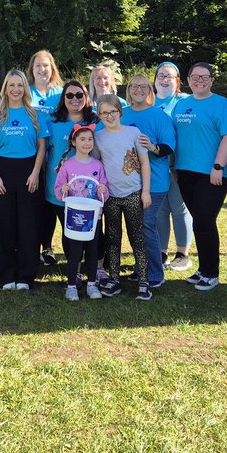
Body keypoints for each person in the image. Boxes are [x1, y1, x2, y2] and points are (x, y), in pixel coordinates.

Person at [172, 62, 227, 292]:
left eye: (205, 77)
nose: (200, 80)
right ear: (188, 79)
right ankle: (203, 267)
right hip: (185, 172)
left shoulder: (222, 104)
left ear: (211, 80)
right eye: (195, 76)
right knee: (199, 221)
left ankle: (211, 273)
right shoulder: (182, 105)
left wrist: (218, 166)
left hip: (213, 173)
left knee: (205, 221)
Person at [0, 69, 48, 290]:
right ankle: (6, 275)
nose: (15, 89)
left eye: (19, 85)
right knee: (4, 225)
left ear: (25, 88)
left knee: (28, 226)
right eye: (11, 85)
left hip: (29, 172)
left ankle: (26, 275)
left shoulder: (35, 114)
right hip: (2, 172)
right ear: (5, 88)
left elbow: (42, 147)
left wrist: (35, 173)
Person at [94, 94, 153, 300]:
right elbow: (93, 163)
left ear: (120, 111)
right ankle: (114, 279)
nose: (109, 116)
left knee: (137, 237)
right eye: (104, 113)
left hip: (133, 193)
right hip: (111, 196)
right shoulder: (98, 137)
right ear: (99, 115)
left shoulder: (133, 132)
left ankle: (144, 281)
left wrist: (145, 191)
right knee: (112, 238)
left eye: (112, 112)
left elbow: (144, 163)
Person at [122, 72, 171, 291]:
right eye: (134, 86)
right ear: (128, 90)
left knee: (146, 225)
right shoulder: (121, 114)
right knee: (135, 227)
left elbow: (169, 147)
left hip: (155, 183)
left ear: (150, 91)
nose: (138, 90)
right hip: (127, 183)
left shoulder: (159, 116)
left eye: (143, 86)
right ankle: (140, 267)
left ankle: (155, 273)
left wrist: (152, 147)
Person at [44, 79, 98, 260]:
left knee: (93, 231)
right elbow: (43, 150)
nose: (74, 99)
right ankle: (73, 268)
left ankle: (96, 268)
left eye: (79, 95)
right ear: (63, 98)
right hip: (60, 186)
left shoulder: (95, 120)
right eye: (69, 95)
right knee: (69, 230)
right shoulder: (52, 121)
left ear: (86, 97)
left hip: (90, 189)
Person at [53, 124, 108, 301]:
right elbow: (58, 191)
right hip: (75, 218)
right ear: (73, 142)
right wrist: (64, 188)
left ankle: (91, 284)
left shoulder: (98, 165)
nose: (86, 143)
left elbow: (104, 193)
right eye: (82, 139)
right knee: (75, 252)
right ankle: (71, 287)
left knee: (92, 251)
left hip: (94, 217)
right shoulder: (67, 165)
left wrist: (102, 189)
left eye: (90, 139)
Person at [154, 61, 193, 271]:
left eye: (169, 76)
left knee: (180, 208)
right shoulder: (149, 102)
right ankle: (161, 252)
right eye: (161, 75)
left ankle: (183, 253)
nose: (164, 79)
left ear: (177, 80)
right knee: (160, 209)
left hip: (179, 165)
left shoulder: (184, 101)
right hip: (156, 165)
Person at [28, 49, 64, 265]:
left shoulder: (60, 94)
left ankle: (50, 247)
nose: (42, 69)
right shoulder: (25, 93)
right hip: (30, 154)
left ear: (52, 69)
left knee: (53, 201)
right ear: (32, 70)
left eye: (46, 65)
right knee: (36, 203)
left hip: (55, 155)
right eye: (38, 65)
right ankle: (38, 245)